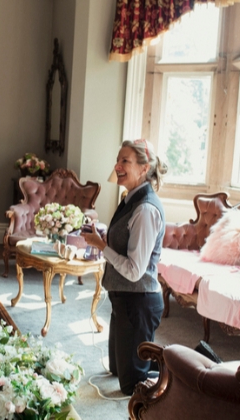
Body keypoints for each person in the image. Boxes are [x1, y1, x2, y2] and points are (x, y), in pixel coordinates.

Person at [81, 139, 167, 396]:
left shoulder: (145, 209)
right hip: (123, 300)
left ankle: (187, 366)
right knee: (118, 370)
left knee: (132, 385)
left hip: (139, 303)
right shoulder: (130, 198)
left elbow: (134, 271)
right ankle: (158, 361)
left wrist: (101, 246)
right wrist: (106, 240)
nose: (117, 166)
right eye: (118, 160)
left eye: (124, 161)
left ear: (144, 168)